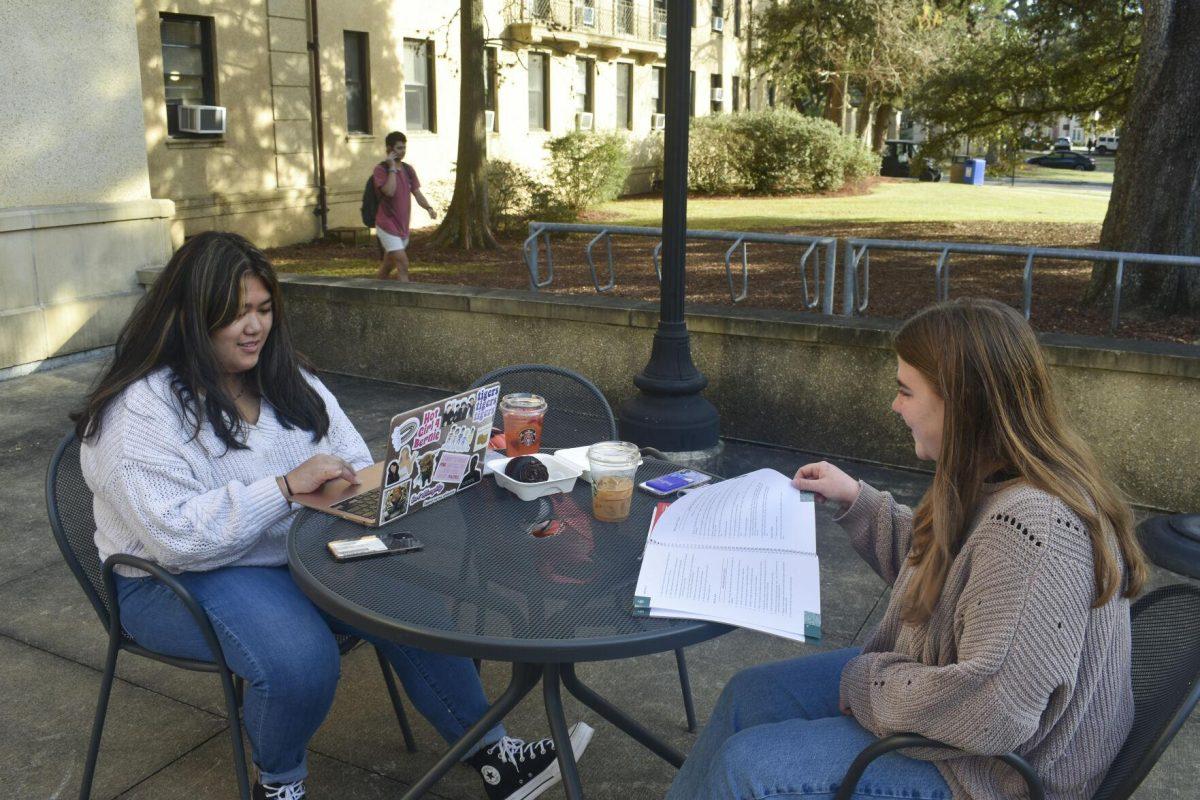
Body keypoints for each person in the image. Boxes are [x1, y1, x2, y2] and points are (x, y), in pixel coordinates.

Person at [74, 231, 590, 800]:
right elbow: (177, 538)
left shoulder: (284, 378)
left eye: (264, 309)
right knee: (301, 660)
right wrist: (286, 490)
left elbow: (350, 457)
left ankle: (495, 756)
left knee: (410, 604)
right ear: (189, 318)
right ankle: (281, 782)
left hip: (293, 552)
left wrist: (404, 473)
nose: (255, 327)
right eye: (235, 313)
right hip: (173, 580)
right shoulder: (141, 411)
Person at [667, 298, 1147, 800]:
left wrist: (869, 685)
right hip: (960, 713)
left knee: (749, 766)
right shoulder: (994, 477)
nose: (895, 406)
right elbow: (953, 582)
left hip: (998, 775)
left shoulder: (1034, 529)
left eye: (905, 391)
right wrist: (857, 500)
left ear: (961, 404)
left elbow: (995, 708)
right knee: (752, 694)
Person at [374, 131, 436, 282]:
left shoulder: (408, 170)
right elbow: (389, 191)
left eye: (404, 148)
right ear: (389, 149)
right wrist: (392, 168)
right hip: (387, 225)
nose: (403, 151)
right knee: (403, 263)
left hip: (402, 227)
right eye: (399, 148)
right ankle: (407, 301)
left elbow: (417, 192)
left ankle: (372, 291)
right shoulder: (381, 170)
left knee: (388, 265)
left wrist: (428, 208)